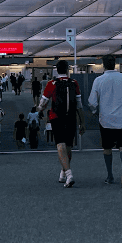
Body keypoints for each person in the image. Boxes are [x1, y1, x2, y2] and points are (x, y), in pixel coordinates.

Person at [88, 54, 122, 187]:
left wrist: (95, 112)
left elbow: (92, 102)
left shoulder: (98, 80)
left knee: (107, 148)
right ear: (115, 63)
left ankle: (110, 176)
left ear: (104, 65)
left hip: (105, 120)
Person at [38, 60, 86, 188]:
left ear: (56, 70)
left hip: (56, 117)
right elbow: (79, 104)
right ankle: (63, 172)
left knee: (60, 145)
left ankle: (69, 174)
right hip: (71, 117)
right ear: (67, 70)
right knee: (68, 146)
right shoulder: (74, 83)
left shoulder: (51, 84)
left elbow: (43, 103)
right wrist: (82, 121)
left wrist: (39, 111)